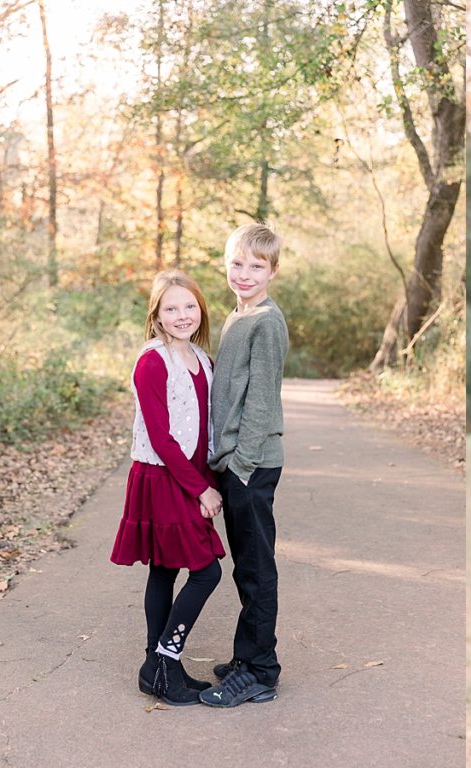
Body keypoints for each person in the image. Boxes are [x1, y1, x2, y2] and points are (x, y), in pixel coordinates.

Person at [111, 269, 225, 707]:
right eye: (171, 308)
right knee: (207, 571)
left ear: (201, 309)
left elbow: (204, 426)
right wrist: (202, 490)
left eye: (189, 306)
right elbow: (161, 437)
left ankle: (159, 669)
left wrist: (211, 478)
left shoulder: (202, 359)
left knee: (166, 568)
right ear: (157, 317)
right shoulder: (151, 361)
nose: (182, 315)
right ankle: (163, 658)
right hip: (163, 477)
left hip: (191, 476)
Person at [199, 222, 289, 708]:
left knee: (256, 569)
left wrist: (241, 465)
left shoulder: (267, 323)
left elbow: (259, 402)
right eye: (238, 264)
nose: (245, 274)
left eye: (257, 266)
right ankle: (247, 655)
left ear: (273, 270)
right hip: (234, 462)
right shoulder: (238, 316)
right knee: (245, 569)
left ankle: (260, 671)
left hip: (250, 466)